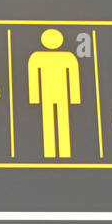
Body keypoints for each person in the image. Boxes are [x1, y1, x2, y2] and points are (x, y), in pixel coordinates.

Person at [27, 28, 81, 158]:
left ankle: (62, 151)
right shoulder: (37, 57)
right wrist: (34, 97)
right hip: (50, 93)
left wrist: (74, 97)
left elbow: (73, 78)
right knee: (53, 120)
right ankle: (53, 152)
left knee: (59, 120)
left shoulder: (67, 57)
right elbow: (34, 78)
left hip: (57, 93)